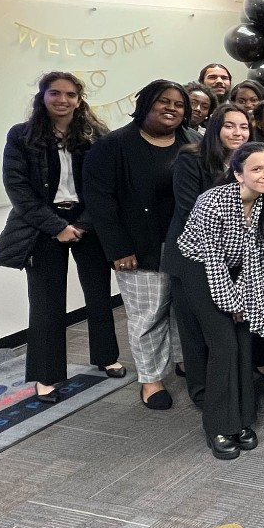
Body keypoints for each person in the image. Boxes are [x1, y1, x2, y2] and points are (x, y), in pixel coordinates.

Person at [0, 72, 121, 403]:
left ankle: (106, 357)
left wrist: (81, 224)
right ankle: (46, 376)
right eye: (55, 93)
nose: (62, 100)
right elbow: (18, 190)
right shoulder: (21, 136)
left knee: (99, 294)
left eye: (70, 94)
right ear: (43, 97)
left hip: (87, 221)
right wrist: (56, 227)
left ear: (79, 99)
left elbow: (105, 186)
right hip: (42, 224)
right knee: (46, 302)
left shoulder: (97, 136)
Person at [84, 79, 199, 410]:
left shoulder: (193, 141)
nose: (171, 108)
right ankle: (151, 380)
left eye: (178, 104)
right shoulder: (114, 145)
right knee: (148, 315)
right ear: (145, 103)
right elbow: (100, 201)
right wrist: (118, 248)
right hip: (138, 246)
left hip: (187, 243)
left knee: (183, 309)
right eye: (163, 101)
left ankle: (184, 360)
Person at [175, 142, 264, 459]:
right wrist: (232, 304)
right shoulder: (212, 202)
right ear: (238, 174)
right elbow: (213, 262)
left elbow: (254, 258)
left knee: (243, 344)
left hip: (237, 271)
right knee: (224, 346)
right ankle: (218, 425)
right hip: (198, 271)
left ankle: (243, 420)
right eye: (256, 169)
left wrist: (245, 301)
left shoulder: (263, 202)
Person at [162, 105, 252, 409]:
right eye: (230, 126)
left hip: (231, 258)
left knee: (227, 331)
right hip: (192, 257)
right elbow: (192, 209)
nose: (237, 133)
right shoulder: (192, 158)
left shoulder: (247, 161)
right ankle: (202, 393)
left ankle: (230, 389)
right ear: (215, 128)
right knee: (194, 330)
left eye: (243, 127)